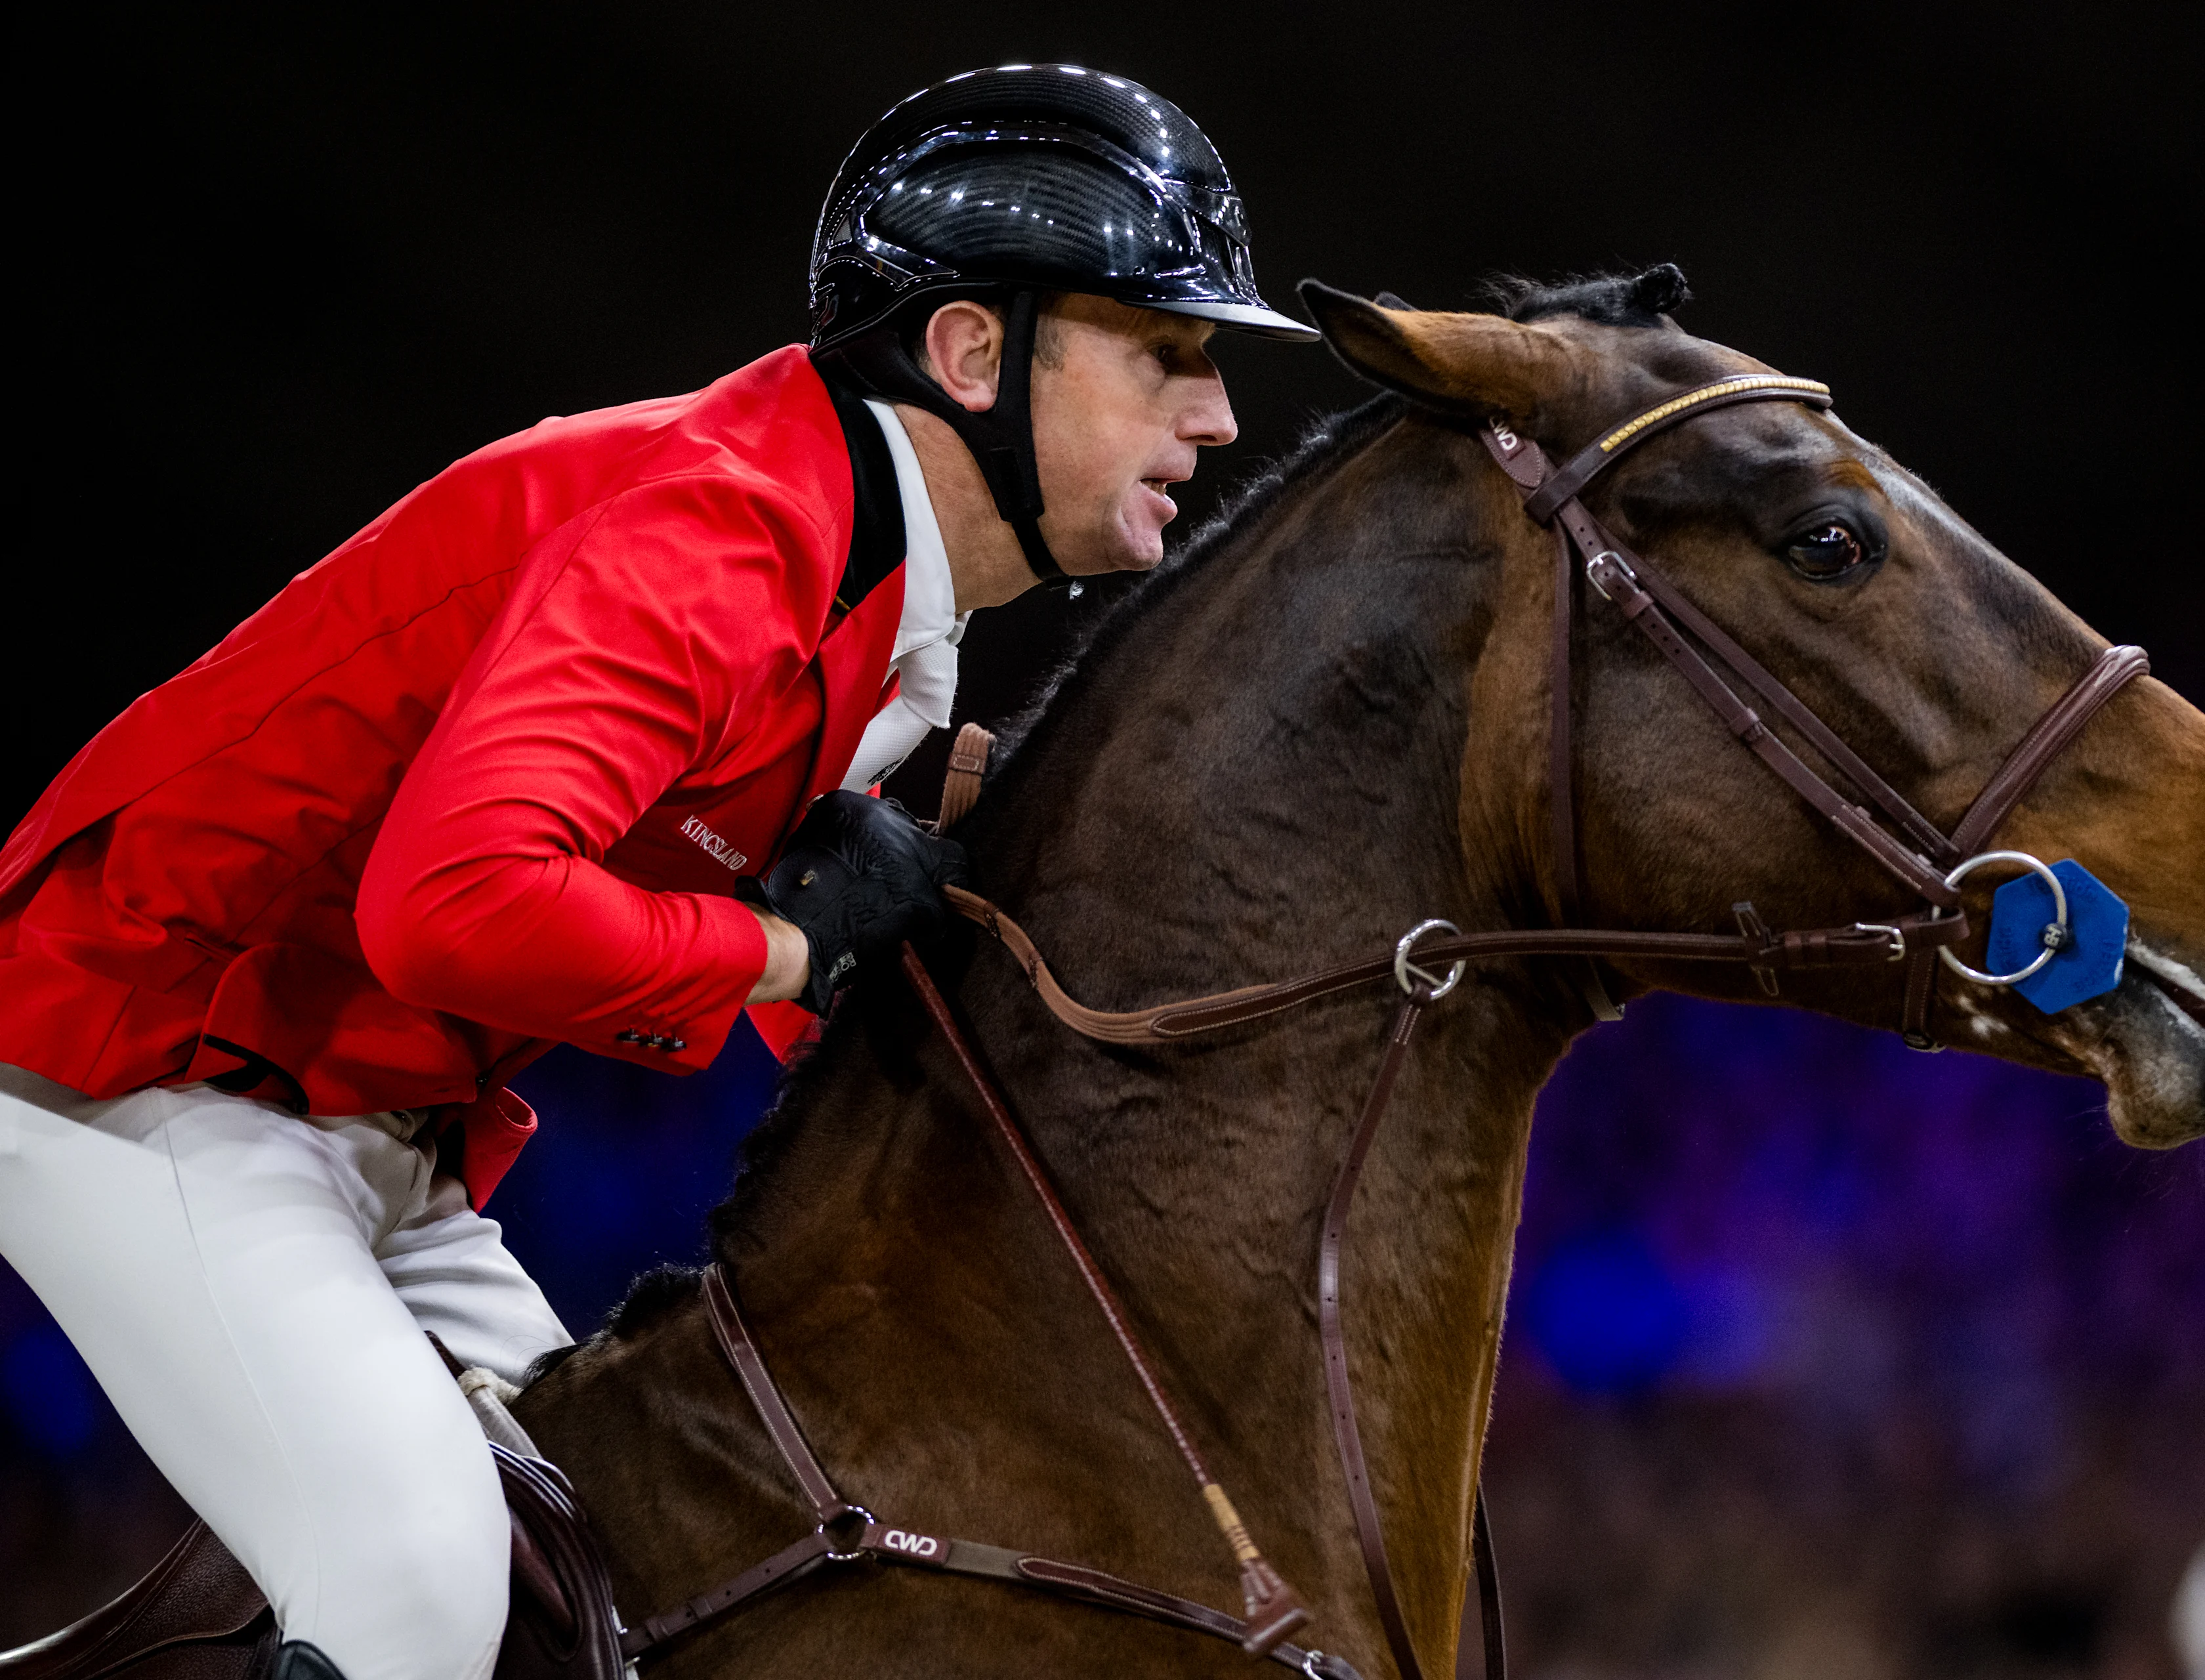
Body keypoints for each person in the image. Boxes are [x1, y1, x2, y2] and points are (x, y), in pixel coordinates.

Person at [0, 64, 1314, 1680]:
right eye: (1168, 350)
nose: (1220, 412)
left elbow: (806, 972)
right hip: (141, 1052)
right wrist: (772, 946)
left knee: (637, 1582)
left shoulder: (881, 587)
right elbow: (455, 904)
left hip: (359, 1113)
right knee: (415, 1582)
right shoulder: (721, 527)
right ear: (976, 349)